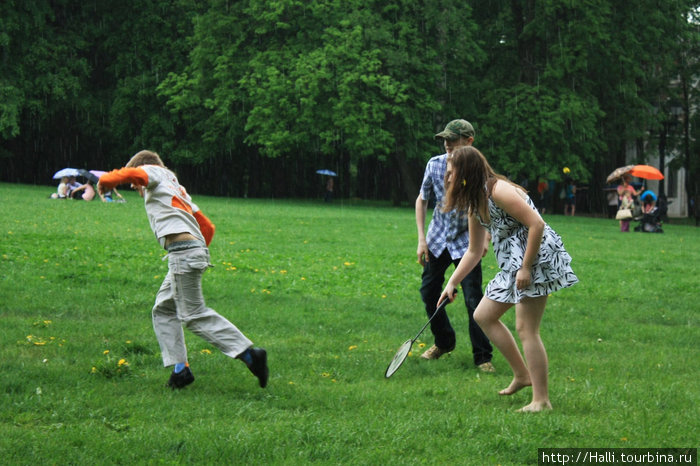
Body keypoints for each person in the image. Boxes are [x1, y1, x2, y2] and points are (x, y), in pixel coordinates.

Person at [97, 150, 268, 390]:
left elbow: (137, 173)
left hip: (183, 254)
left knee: (192, 314)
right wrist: (196, 252)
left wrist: (106, 181)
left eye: (136, 187)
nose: (138, 189)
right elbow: (207, 227)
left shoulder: (154, 171)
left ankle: (250, 355)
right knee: (163, 309)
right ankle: (181, 370)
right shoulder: (178, 189)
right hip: (190, 253)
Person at [438, 146, 578, 412]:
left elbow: (537, 224)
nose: (447, 177)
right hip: (513, 266)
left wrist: (526, 268)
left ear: (465, 173)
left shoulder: (498, 190)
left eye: (451, 172)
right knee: (483, 315)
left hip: (535, 258)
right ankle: (522, 375)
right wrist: (452, 282)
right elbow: (474, 250)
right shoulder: (474, 202)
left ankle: (541, 400)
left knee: (527, 329)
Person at [415, 119, 494, 372]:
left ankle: (483, 357)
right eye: (445, 139)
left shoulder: (479, 172)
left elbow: (486, 208)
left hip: (466, 241)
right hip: (437, 240)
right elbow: (422, 199)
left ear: (469, 142)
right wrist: (421, 239)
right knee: (429, 293)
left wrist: (486, 238)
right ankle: (444, 342)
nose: (447, 144)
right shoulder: (434, 165)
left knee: (474, 300)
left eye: (453, 139)